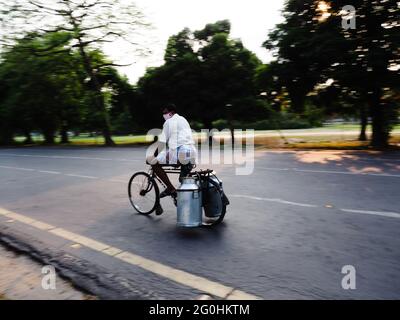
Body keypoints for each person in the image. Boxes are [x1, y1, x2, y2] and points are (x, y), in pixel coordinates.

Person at [149, 104, 197, 202]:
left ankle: (170, 189)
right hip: (191, 151)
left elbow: (162, 142)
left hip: (180, 152)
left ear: (171, 113)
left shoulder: (169, 122)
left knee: (154, 164)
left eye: (165, 112)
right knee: (183, 179)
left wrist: (153, 156)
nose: (164, 115)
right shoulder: (183, 119)